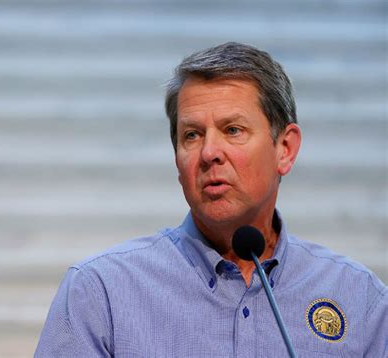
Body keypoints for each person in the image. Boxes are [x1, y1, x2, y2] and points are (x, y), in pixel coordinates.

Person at [35, 42, 386, 357]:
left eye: (233, 130)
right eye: (192, 135)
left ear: (285, 149)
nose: (209, 153)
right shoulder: (101, 292)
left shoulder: (358, 298)